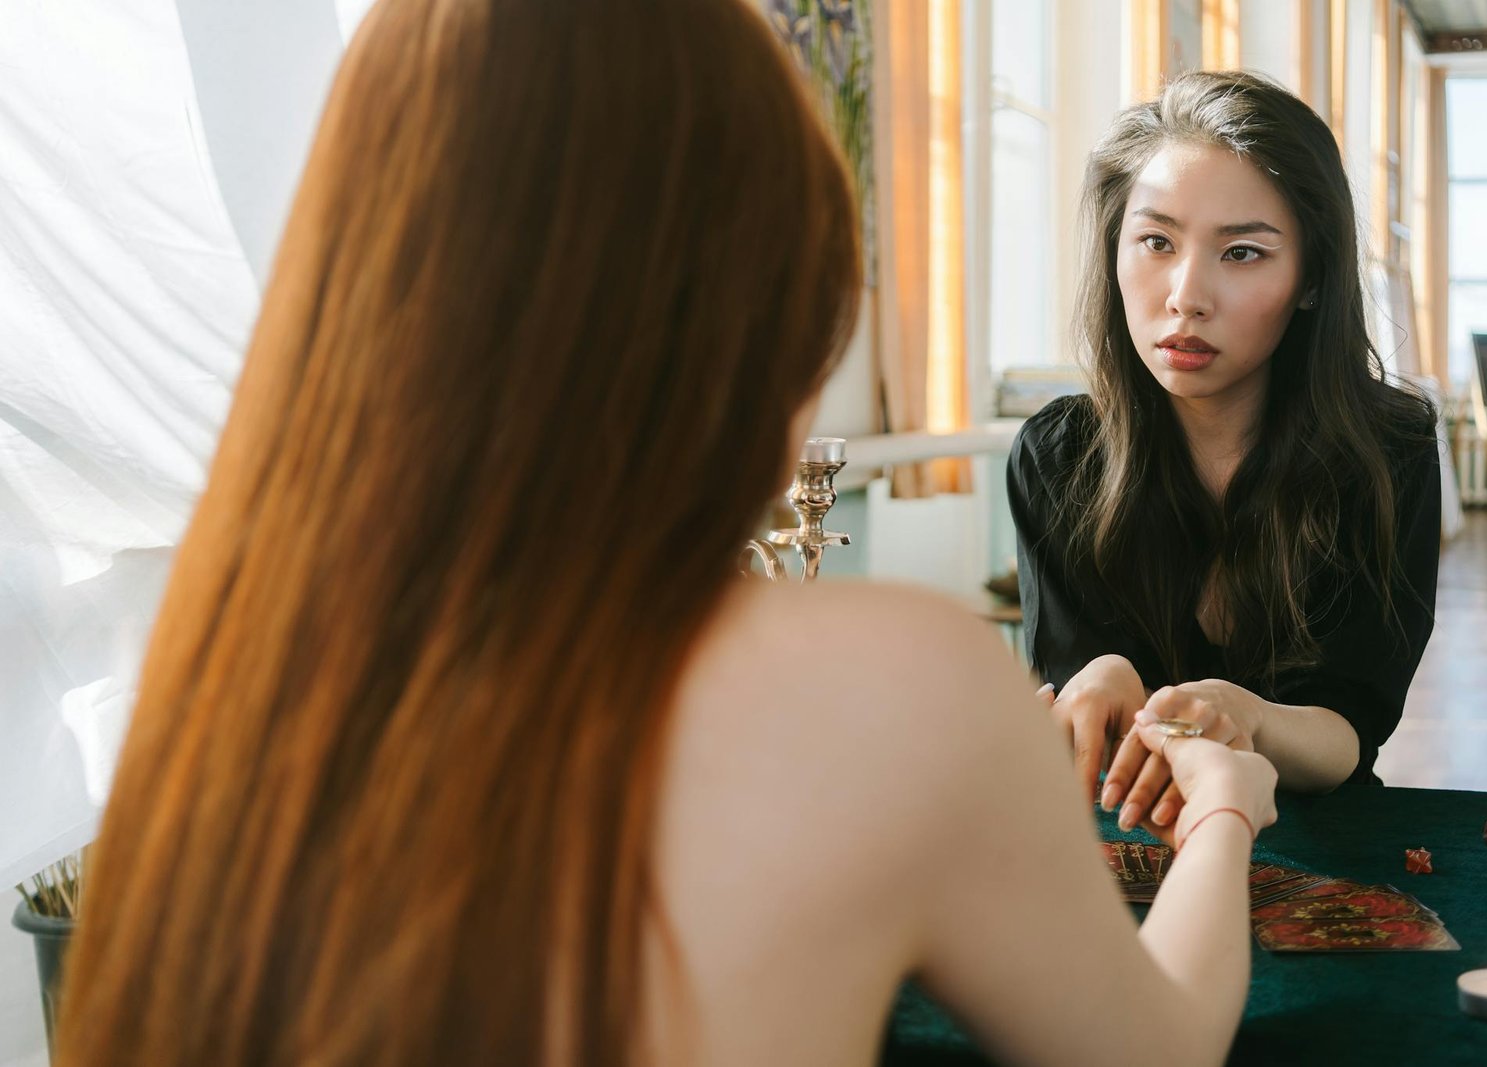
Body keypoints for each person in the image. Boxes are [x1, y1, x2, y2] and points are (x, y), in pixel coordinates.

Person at [55, 4, 1277, 1065]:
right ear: (760, 297)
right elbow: (1154, 1042)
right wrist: (1225, 802)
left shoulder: (215, 679)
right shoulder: (905, 683)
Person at [1009, 70, 1441, 834]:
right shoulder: (1056, 455)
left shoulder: (1387, 452)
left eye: (1241, 252)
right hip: (1131, 842)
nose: (1185, 295)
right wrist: (1100, 675)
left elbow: (1349, 729)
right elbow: (1086, 710)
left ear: (1311, 279)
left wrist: (1249, 715)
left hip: (1322, 844)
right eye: (1156, 241)